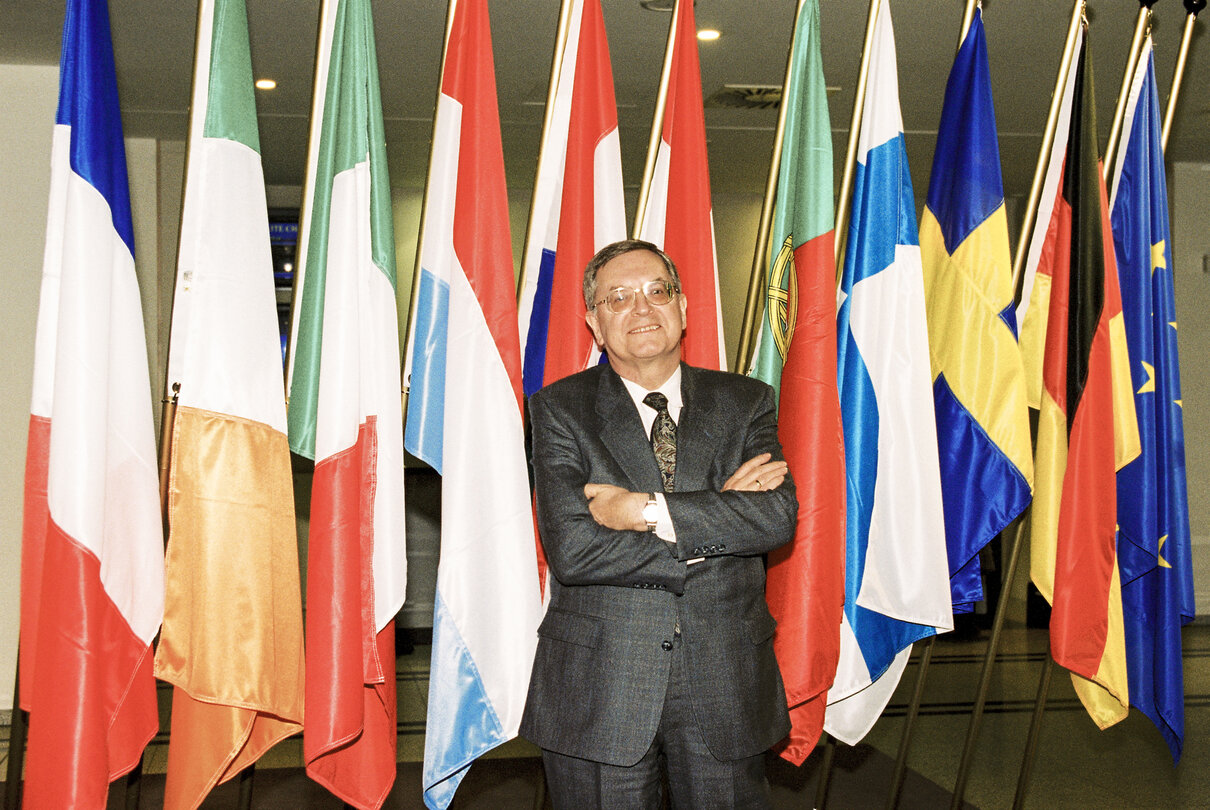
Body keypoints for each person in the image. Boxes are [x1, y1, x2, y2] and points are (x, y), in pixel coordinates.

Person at [520, 239, 797, 809]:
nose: (641, 309)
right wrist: (717, 517)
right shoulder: (558, 409)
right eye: (616, 299)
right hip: (602, 685)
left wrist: (642, 511)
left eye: (657, 291)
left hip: (725, 681)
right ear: (594, 324)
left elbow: (773, 517)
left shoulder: (747, 401)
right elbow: (575, 550)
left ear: (684, 307)